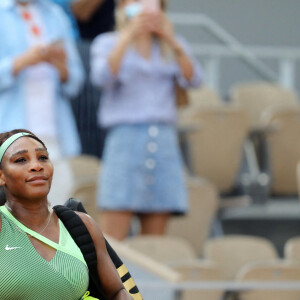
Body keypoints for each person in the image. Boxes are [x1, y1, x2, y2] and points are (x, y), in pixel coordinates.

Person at [90, 0, 203, 240]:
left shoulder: (171, 45)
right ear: (123, 6)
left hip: (163, 140)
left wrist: (171, 41)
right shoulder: (107, 42)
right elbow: (102, 77)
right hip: (125, 140)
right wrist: (128, 36)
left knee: (153, 243)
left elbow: (194, 80)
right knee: (112, 241)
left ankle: (144, 280)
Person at [0, 129, 133, 300]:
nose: (36, 166)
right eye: (20, 160)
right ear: (1, 175)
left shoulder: (82, 224)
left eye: (43, 157)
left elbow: (117, 292)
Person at [0, 0, 85, 205]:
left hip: (54, 137)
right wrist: (23, 61)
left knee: (56, 213)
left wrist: (60, 65)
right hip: (6, 139)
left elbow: (75, 81)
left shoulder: (55, 14)